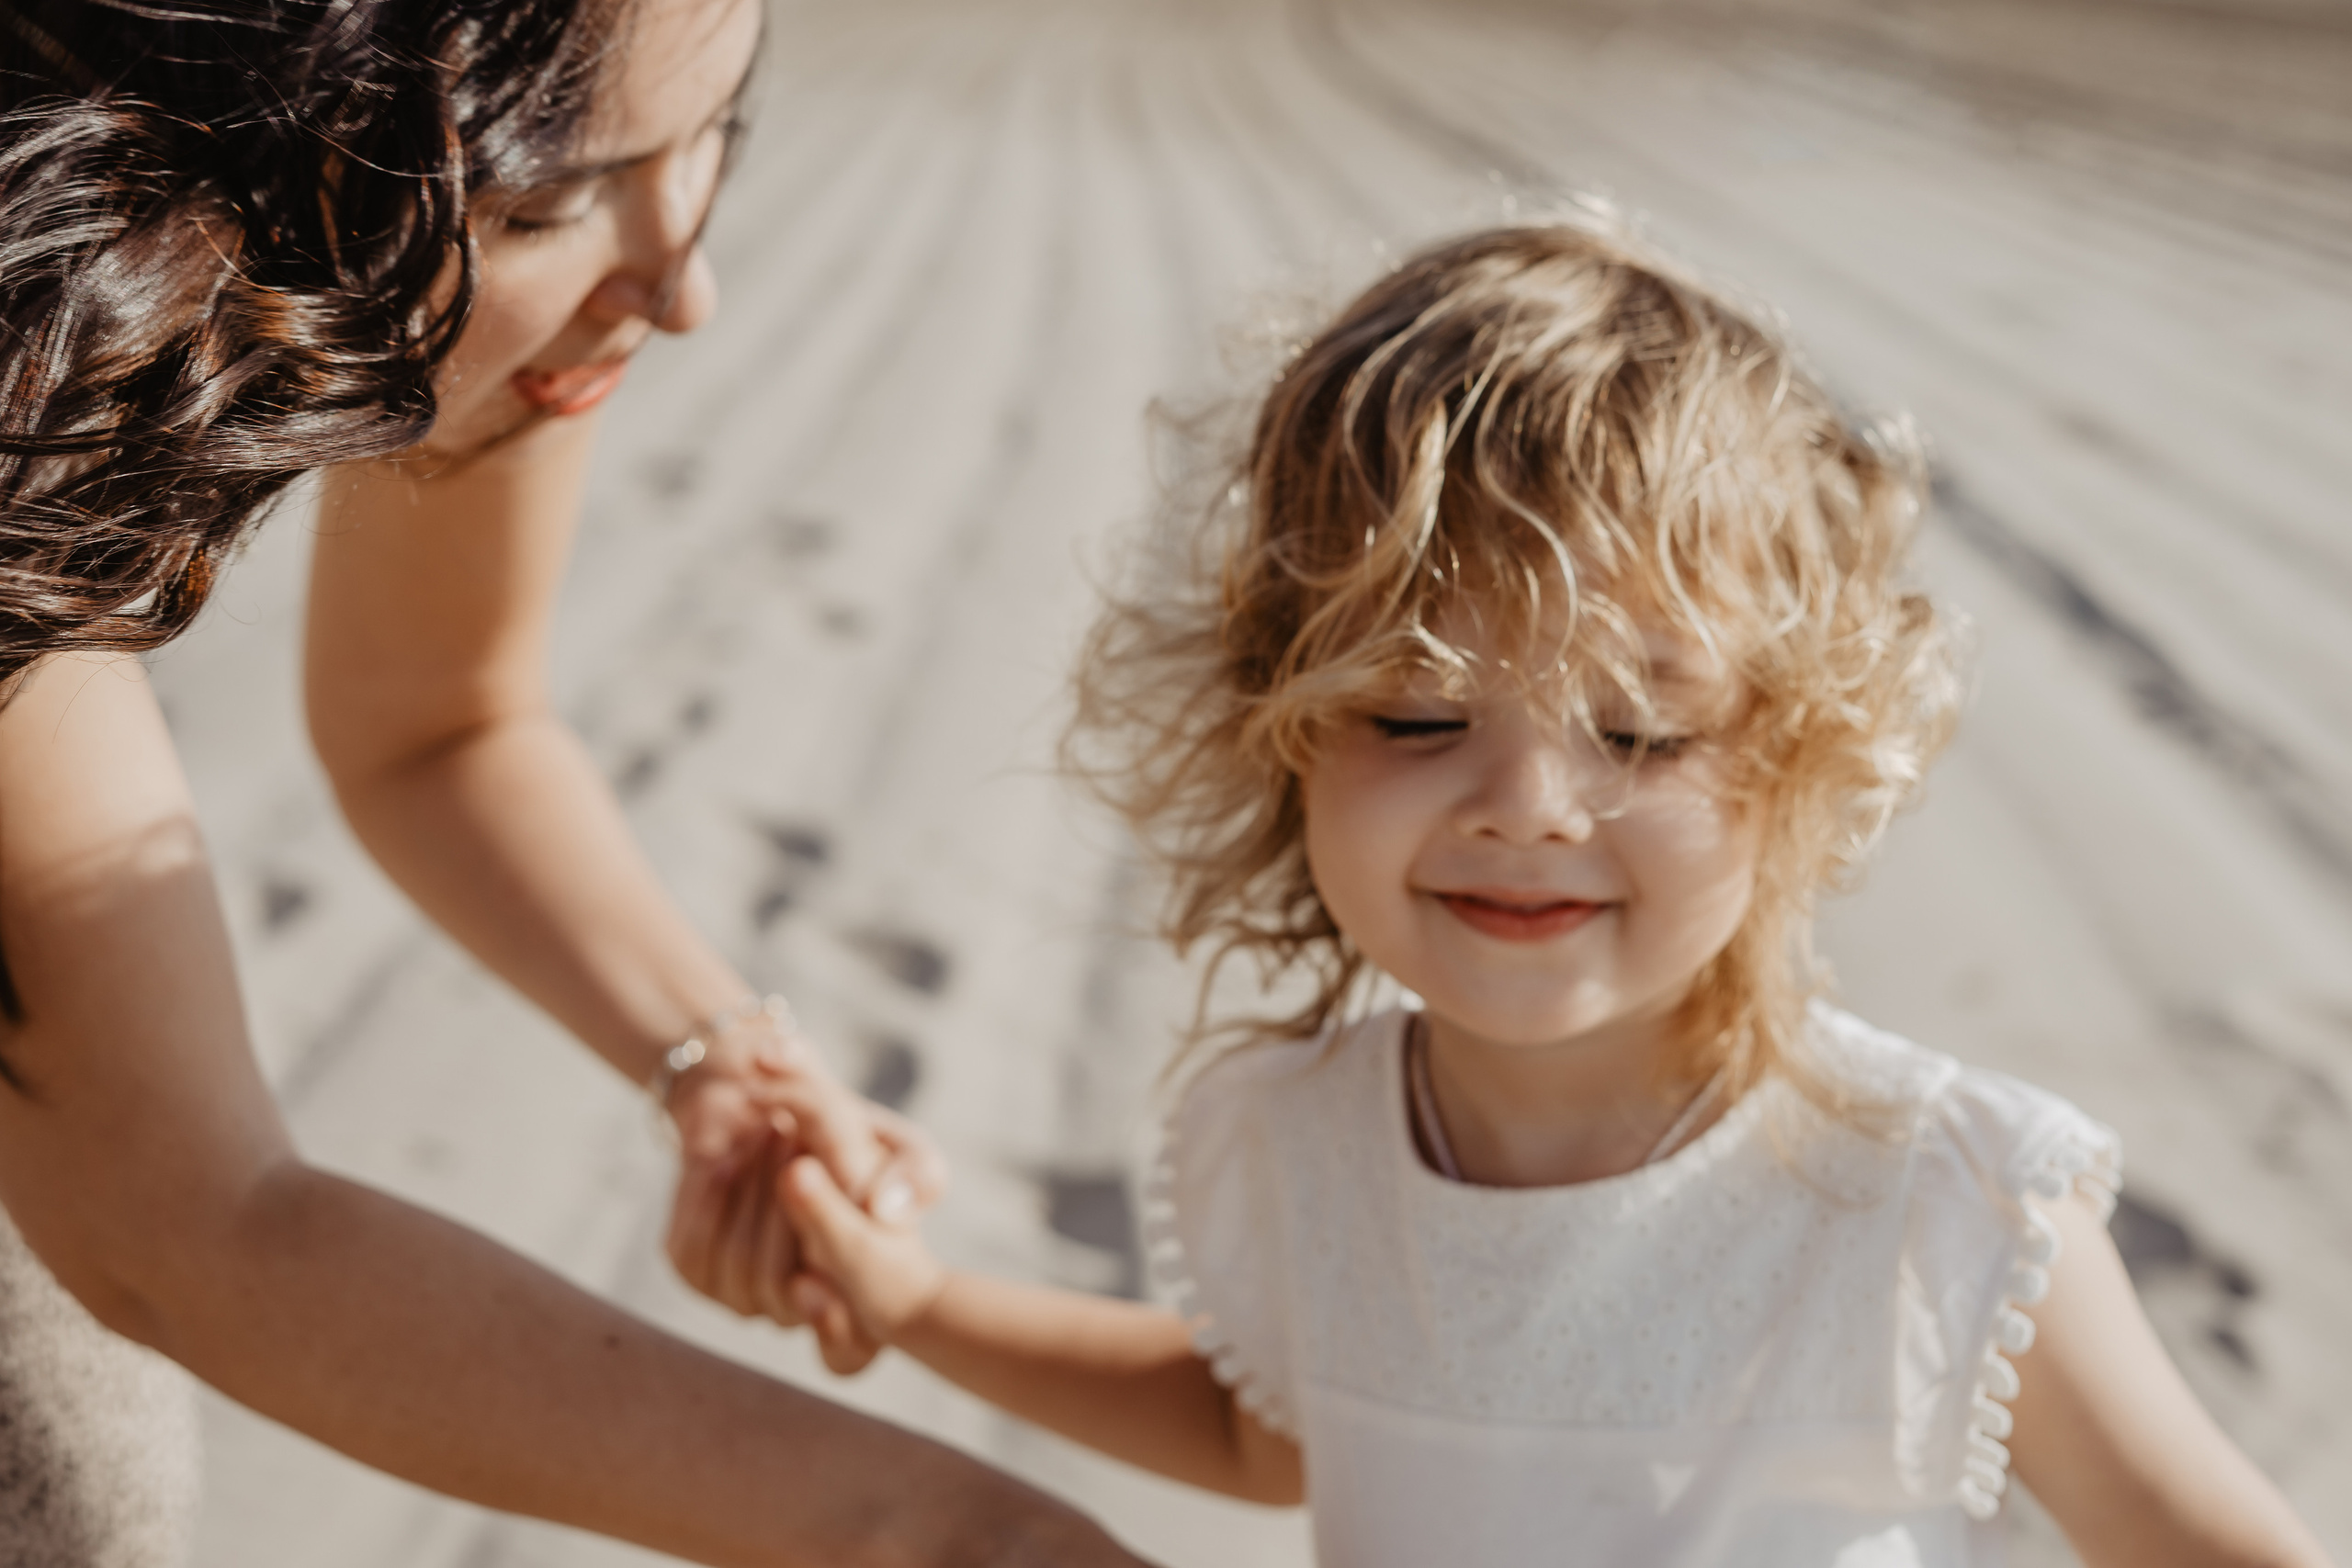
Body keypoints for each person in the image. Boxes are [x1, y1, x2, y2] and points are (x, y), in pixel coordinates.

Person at [749, 222, 2337, 1567]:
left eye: (1639, 731)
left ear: (1797, 751)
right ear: (1281, 730)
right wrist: (917, 1298)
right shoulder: (1301, 1139)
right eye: (1419, 718)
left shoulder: (1937, 1198)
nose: (1524, 807)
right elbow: (1263, 1426)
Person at [0, 0, 1147, 1562]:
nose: (685, 288)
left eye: (717, 135)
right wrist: (944, 1533)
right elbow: (189, 1224)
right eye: (547, 201)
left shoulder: (472, 267)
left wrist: (714, 1049)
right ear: (204, 139)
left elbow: (439, 724)